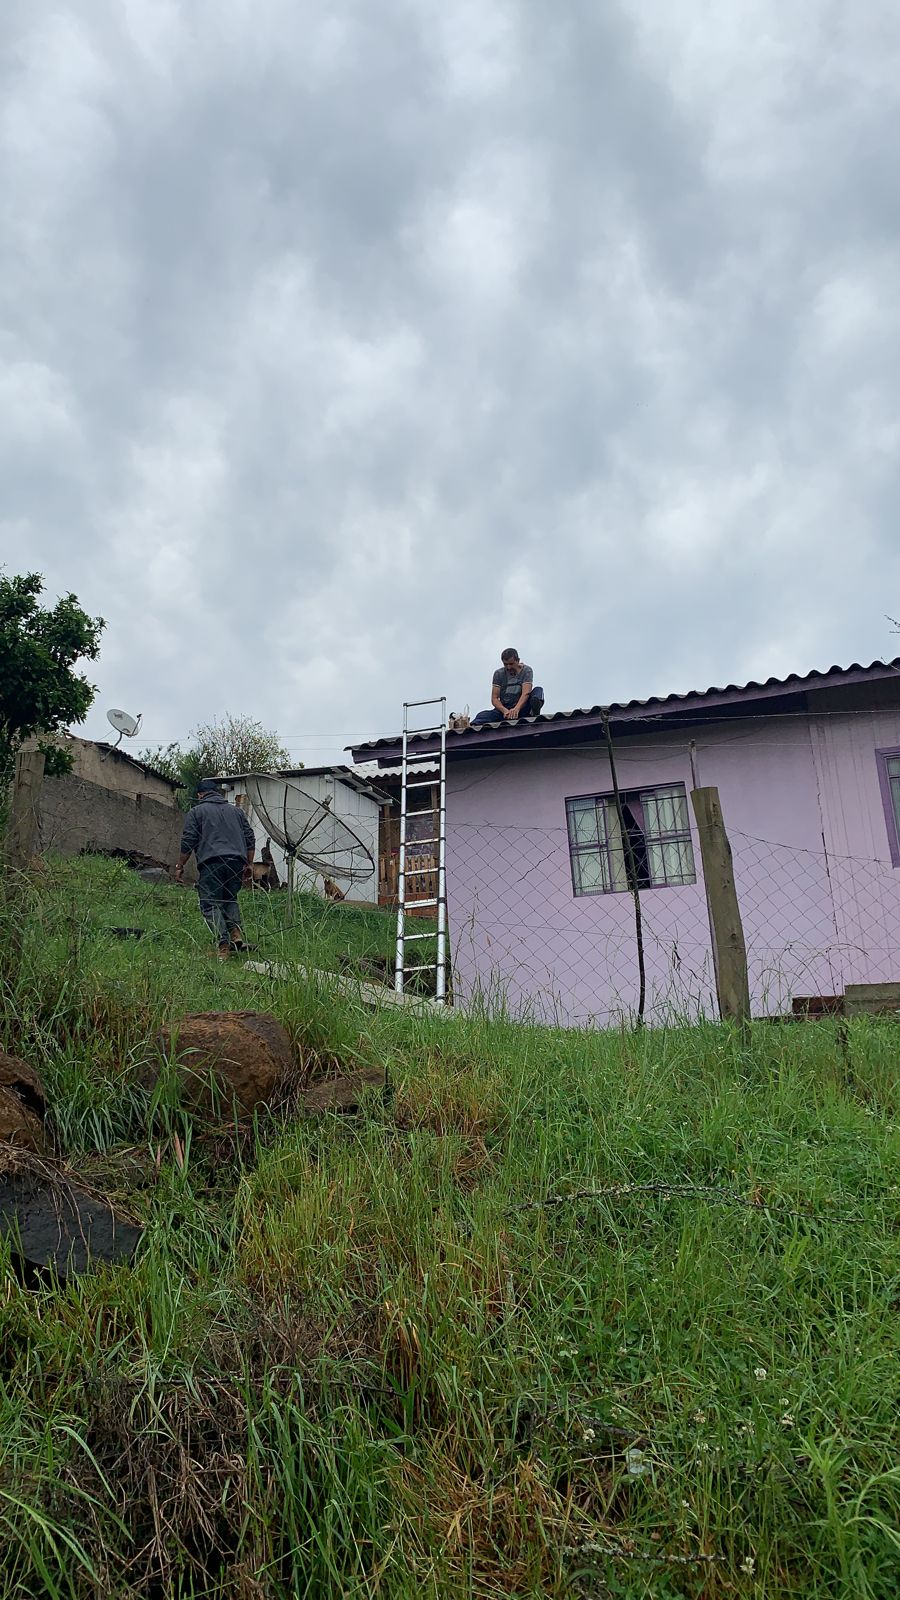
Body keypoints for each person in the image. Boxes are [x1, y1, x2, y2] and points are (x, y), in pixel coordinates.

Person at [175, 779, 256, 959]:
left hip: (212, 862)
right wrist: (249, 864)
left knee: (210, 903)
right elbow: (250, 837)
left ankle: (223, 945)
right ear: (217, 793)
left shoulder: (196, 811)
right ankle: (236, 935)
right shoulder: (237, 812)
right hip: (236, 862)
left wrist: (180, 866)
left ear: (200, 795)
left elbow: (188, 840)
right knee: (229, 898)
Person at [472, 648, 545, 725]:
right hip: (505, 709)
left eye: (511, 664)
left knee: (538, 690)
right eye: (505, 664)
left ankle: (534, 712)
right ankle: (472, 727)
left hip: (522, 707)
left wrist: (517, 709)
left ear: (518, 660)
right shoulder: (498, 674)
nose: (508, 667)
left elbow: (526, 693)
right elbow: (494, 698)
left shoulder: (526, 670)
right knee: (482, 715)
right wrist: (505, 711)